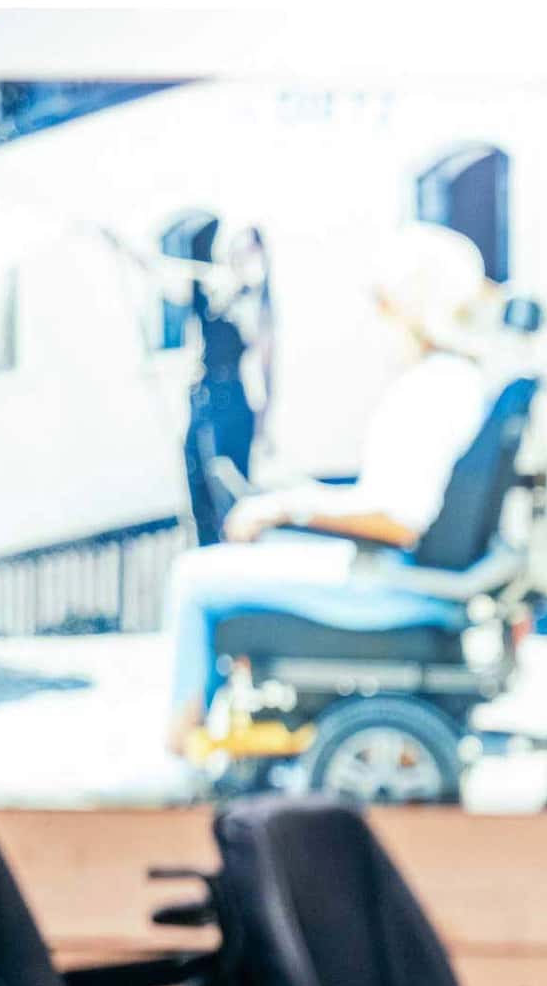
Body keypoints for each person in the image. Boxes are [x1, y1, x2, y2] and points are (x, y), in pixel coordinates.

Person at [161, 221, 497, 751]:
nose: (378, 317)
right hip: (406, 577)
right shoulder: (455, 380)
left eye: (384, 302)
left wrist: (290, 509)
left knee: (194, 578)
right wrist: (298, 500)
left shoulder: (431, 390)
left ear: (411, 306)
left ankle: (179, 752)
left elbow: (400, 519)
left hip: (395, 588)